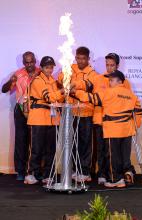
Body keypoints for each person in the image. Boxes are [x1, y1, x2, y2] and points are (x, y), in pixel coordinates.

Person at [70, 70, 142, 187]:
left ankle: (115, 180)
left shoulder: (108, 93)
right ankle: (125, 175)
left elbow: (91, 98)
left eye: (112, 80)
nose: (109, 82)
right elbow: (138, 111)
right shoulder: (132, 95)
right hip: (127, 130)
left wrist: (75, 92)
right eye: (109, 80)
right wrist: (136, 125)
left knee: (112, 156)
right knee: (122, 155)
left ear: (120, 81)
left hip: (112, 130)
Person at [58, 47, 98, 182]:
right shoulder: (70, 68)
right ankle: (74, 170)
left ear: (88, 59)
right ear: (75, 57)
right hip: (71, 112)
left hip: (86, 113)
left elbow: (89, 86)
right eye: (78, 58)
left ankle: (85, 171)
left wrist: (74, 84)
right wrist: (67, 81)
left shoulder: (92, 73)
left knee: (85, 143)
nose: (80, 61)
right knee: (71, 143)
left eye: (83, 58)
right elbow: (61, 80)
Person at [92, 53, 132, 185]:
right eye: (107, 65)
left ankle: (115, 176)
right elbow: (94, 98)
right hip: (100, 119)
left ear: (117, 65)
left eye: (112, 65)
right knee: (102, 150)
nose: (109, 68)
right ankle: (103, 174)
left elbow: (129, 100)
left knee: (114, 151)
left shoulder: (124, 82)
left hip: (116, 123)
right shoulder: (98, 79)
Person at [24, 56, 64, 184]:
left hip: (52, 119)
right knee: (36, 149)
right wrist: (62, 92)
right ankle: (31, 173)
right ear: (41, 68)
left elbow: (58, 99)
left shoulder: (53, 80)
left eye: (51, 67)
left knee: (51, 149)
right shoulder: (37, 80)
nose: (49, 70)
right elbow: (48, 98)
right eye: (47, 67)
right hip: (38, 119)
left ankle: (47, 174)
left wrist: (62, 93)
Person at [1, 51, 40, 180]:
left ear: (35, 61)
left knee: (36, 141)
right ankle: (21, 171)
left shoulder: (41, 72)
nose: (29, 64)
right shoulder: (18, 74)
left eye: (31, 62)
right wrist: (11, 81)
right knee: (21, 140)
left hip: (36, 110)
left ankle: (35, 170)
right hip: (20, 110)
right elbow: (4, 89)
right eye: (27, 62)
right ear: (24, 63)